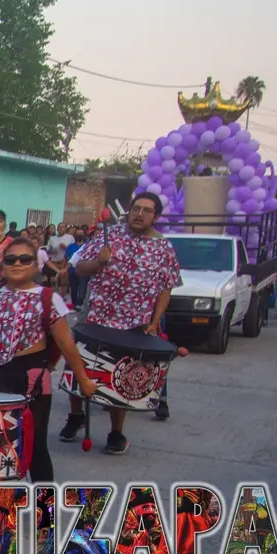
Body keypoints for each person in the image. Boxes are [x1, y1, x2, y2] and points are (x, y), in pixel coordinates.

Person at [0, 238, 97, 482]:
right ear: (2, 266)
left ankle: (44, 502)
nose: (17, 263)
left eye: (25, 259)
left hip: (31, 378)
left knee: (34, 445)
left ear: (36, 266)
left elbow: (66, 344)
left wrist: (84, 380)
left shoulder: (47, 297)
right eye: (10, 259)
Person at [58, 193, 181, 455]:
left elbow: (166, 288)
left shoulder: (164, 248)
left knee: (120, 378)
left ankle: (116, 433)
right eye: (136, 208)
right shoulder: (108, 235)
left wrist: (155, 321)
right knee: (78, 368)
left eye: (146, 211)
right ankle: (76, 416)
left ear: (156, 217)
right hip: (94, 317)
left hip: (133, 324)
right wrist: (98, 261)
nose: (139, 214)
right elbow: (79, 269)